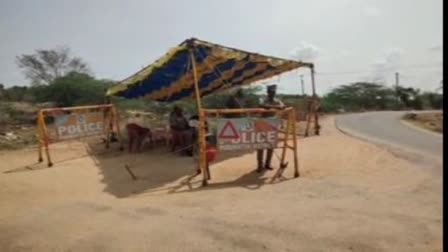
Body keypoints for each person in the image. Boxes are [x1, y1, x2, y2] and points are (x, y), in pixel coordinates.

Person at [256, 84, 285, 172]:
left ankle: (267, 164)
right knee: (261, 146)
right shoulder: (263, 99)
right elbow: (261, 105)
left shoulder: (277, 100)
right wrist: (275, 107)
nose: (272, 93)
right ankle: (260, 165)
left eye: (273, 92)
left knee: (271, 146)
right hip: (262, 124)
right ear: (267, 92)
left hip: (272, 125)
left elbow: (283, 106)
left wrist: (272, 107)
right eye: (270, 92)